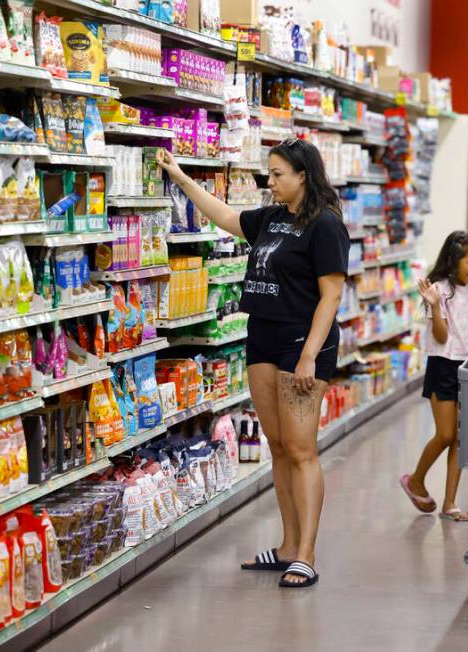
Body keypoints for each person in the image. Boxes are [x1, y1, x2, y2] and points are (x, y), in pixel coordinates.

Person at [156, 138, 349, 588]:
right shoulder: (272, 218)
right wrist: (182, 177)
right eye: (270, 172)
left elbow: (332, 295)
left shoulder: (325, 226)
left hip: (304, 344)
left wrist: (307, 357)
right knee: (278, 447)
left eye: (279, 174)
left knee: (301, 449)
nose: (271, 181)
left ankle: (307, 553)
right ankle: (286, 546)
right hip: (262, 336)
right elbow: (223, 216)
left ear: (304, 175)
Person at [399, 232, 468, 521]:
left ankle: (450, 504)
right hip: (443, 365)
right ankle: (415, 480)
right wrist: (435, 306)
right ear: (453, 261)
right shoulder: (438, 290)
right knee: (446, 434)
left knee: (461, 438)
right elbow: (440, 336)